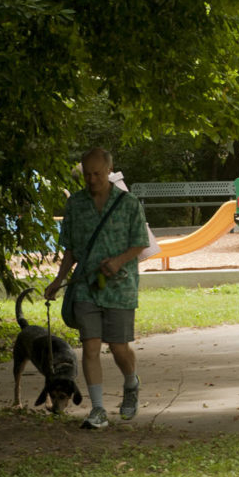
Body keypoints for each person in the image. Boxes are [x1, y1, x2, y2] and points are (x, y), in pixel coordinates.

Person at [45, 148, 151, 430]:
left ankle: (131, 383)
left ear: (109, 171)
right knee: (90, 346)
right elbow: (69, 249)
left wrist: (118, 261)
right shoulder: (76, 205)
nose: (92, 180)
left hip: (119, 287)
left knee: (118, 348)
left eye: (97, 174)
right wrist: (58, 280)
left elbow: (141, 242)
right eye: (87, 175)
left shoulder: (128, 204)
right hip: (86, 287)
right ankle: (98, 410)